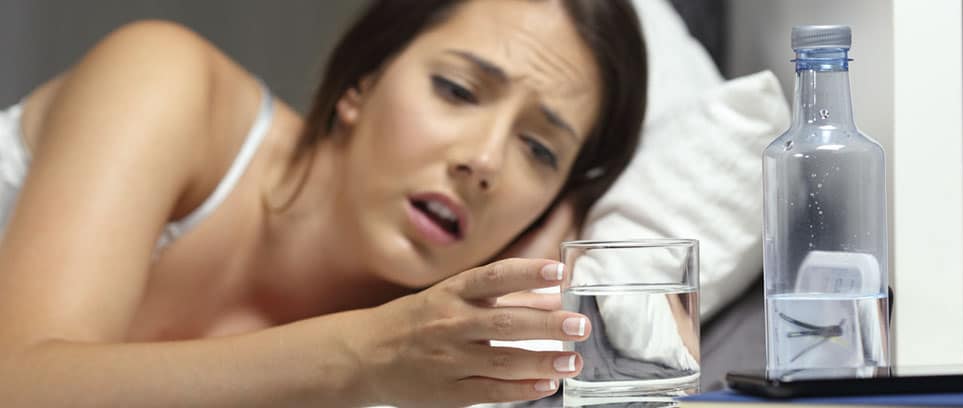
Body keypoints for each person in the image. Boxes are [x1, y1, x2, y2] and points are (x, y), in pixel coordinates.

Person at [0, 0, 646, 406]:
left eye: (538, 151)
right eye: (455, 89)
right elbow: (18, 385)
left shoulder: (429, 351)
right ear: (360, 86)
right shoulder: (167, 84)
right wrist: (362, 357)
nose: (483, 161)